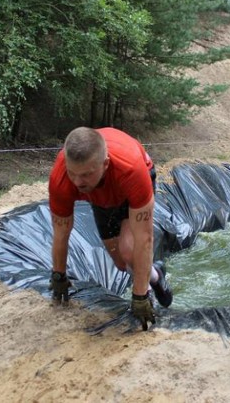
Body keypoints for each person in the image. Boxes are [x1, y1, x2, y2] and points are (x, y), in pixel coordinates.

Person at [48, 127, 172, 331]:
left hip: (128, 187)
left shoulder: (131, 169)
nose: (78, 182)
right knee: (122, 264)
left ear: (105, 164)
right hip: (100, 197)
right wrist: (59, 275)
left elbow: (144, 238)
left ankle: (152, 289)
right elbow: (61, 233)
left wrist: (140, 296)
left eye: (86, 174)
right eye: (73, 173)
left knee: (129, 248)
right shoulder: (61, 178)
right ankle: (156, 273)